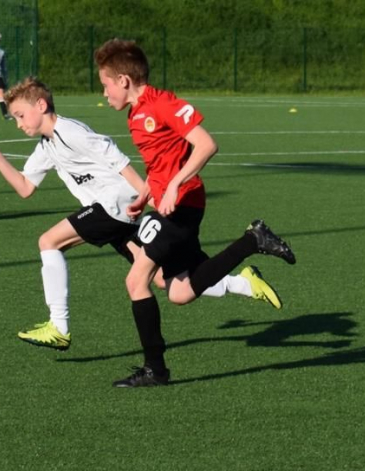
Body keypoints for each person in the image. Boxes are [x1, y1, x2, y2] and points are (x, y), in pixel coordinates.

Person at [0, 77, 283, 352]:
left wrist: (147, 193)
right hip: (117, 214)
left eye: (20, 115)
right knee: (165, 282)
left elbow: (114, 156)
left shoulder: (71, 131)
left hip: (116, 206)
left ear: (42, 105)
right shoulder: (46, 146)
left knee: (48, 241)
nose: (18, 123)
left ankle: (59, 326)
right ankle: (242, 282)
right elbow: (24, 187)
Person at [95, 39, 296, 388]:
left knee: (136, 280)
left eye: (106, 84)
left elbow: (206, 144)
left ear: (124, 80)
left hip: (182, 202)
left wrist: (173, 185)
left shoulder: (161, 103)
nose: (104, 91)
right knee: (179, 293)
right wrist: (146, 193)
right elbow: (160, 162)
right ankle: (253, 240)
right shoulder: (136, 113)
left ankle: (155, 370)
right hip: (168, 203)